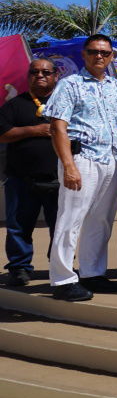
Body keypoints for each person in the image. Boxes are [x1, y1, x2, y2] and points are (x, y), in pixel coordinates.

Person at [44, 34, 117, 301]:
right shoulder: (70, 84)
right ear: (84, 54)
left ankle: (93, 273)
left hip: (112, 160)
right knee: (71, 219)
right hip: (82, 159)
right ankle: (62, 279)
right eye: (94, 51)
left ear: (111, 57)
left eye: (105, 53)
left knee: (101, 220)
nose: (99, 57)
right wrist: (68, 165)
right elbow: (58, 126)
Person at [1, 58, 60, 287]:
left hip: (60, 178)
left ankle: (59, 265)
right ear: (28, 77)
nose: (40, 75)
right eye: (34, 72)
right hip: (21, 178)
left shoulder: (66, 103)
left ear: (56, 76)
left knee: (61, 227)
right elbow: (2, 134)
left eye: (46, 72)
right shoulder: (14, 105)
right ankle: (19, 268)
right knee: (19, 227)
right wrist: (33, 130)